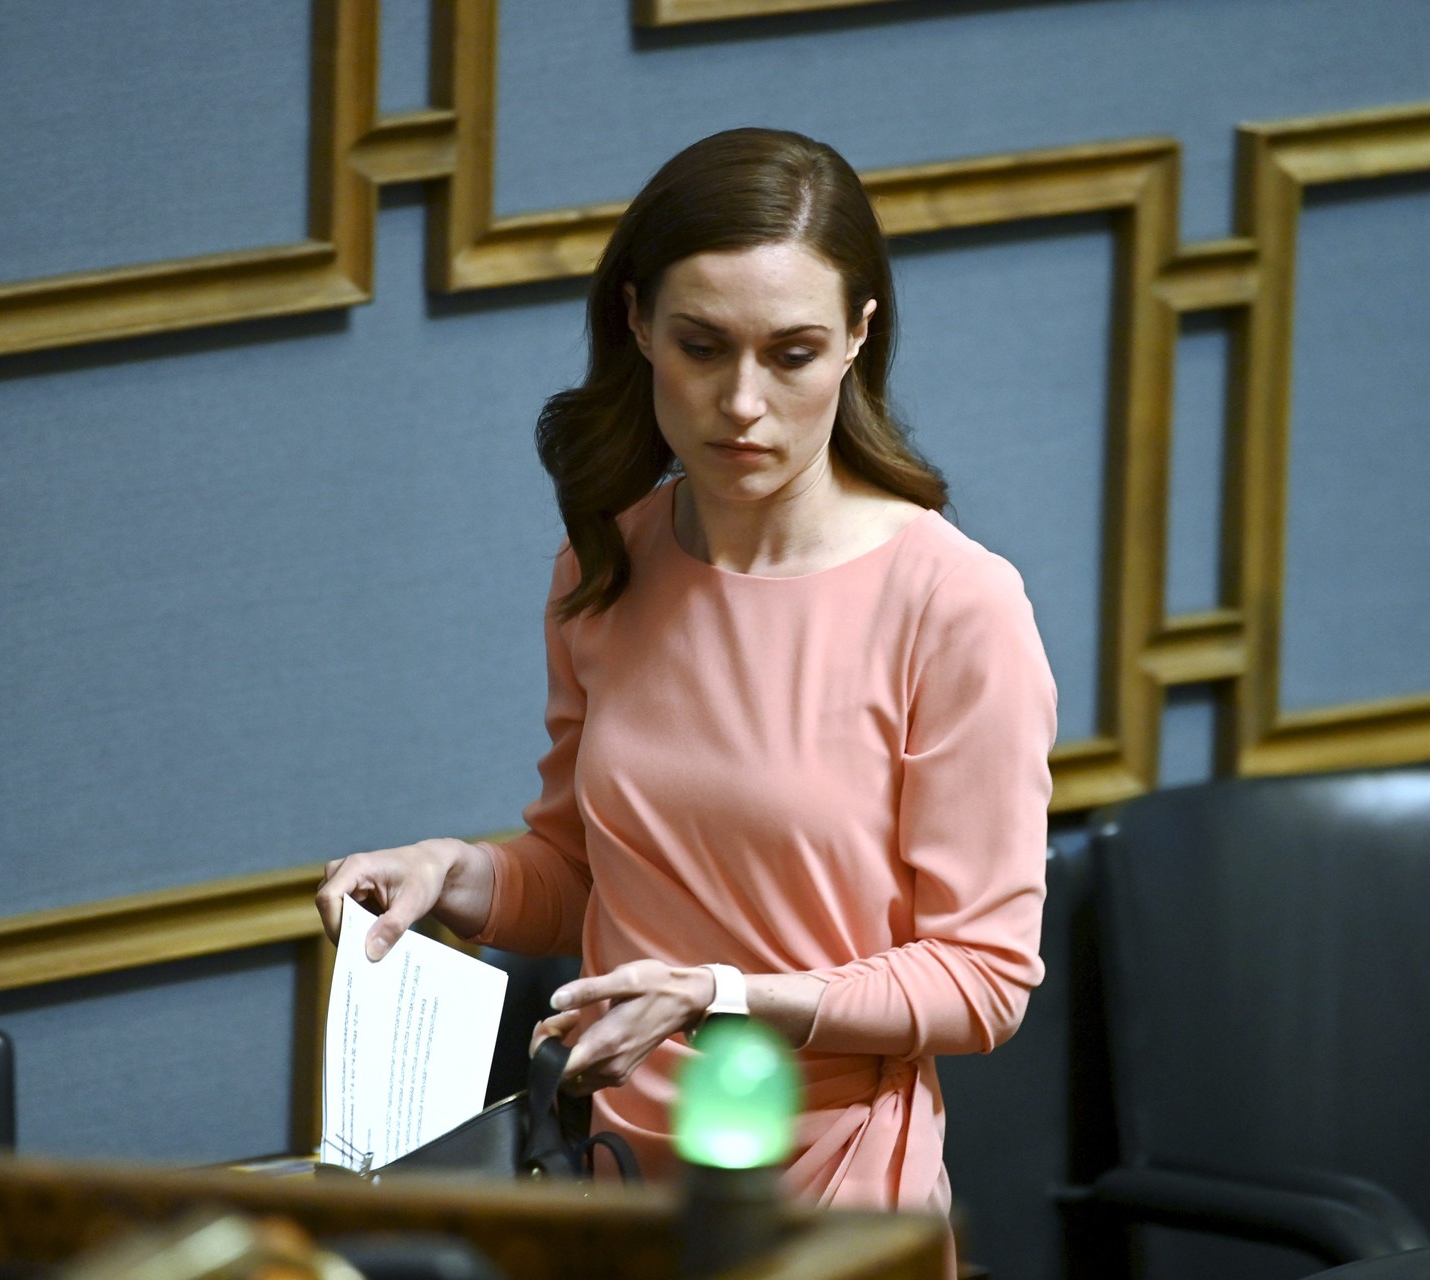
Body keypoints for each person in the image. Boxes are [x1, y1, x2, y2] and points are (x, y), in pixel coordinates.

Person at [314, 127, 1057, 1247]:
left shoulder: (955, 604)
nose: (742, 402)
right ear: (637, 324)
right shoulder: (607, 563)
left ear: (858, 337)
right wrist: (450, 873)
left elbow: (982, 979)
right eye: (702, 346)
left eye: (792, 354)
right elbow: (587, 875)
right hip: (611, 1178)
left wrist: (722, 998)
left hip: (831, 1199)